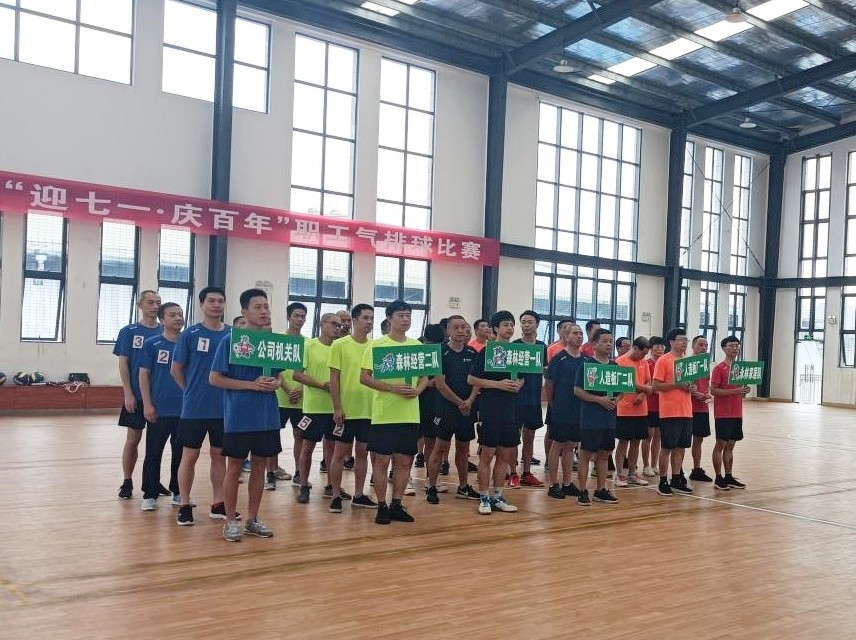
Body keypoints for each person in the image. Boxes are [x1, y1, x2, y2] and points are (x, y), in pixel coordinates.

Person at [210, 288, 281, 542]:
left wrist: (276, 383)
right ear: (244, 311)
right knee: (235, 467)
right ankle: (230, 520)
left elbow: (279, 376)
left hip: (267, 415)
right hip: (239, 415)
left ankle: (253, 518)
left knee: (260, 466)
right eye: (257, 307)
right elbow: (215, 378)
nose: (264, 311)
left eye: (266, 307)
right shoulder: (230, 341)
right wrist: (251, 385)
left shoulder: (274, 342)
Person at [360, 300, 429, 524]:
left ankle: (396, 504)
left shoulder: (416, 345)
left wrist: (418, 390)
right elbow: (364, 377)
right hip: (385, 415)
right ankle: (381, 505)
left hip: (409, 414)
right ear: (389, 318)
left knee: (405, 462)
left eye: (408, 315)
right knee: (381, 462)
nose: (406, 319)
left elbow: (425, 377)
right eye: (401, 315)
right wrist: (391, 388)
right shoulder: (377, 345)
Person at [171, 286, 232, 525]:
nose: (216, 305)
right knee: (190, 455)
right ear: (201, 304)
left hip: (224, 408)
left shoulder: (233, 335)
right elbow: (176, 369)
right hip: (194, 408)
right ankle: (184, 504)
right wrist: (189, 391)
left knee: (219, 456)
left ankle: (218, 503)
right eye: (211, 301)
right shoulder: (190, 334)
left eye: (220, 301)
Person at [468, 310, 523, 515]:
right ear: (496, 329)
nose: (510, 328)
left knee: (505, 455)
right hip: (490, 408)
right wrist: (497, 384)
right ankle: (484, 497)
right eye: (505, 324)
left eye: (512, 324)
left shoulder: (517, 352)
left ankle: (498, 496)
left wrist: (519, 384)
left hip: (511, 408)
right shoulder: (487, 351)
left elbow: (522, 377)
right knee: (487, 454)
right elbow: (472, 379)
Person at [328, 304, 378, 513]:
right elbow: (334, 379)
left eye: (372, 318)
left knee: (362, 454)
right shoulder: (340, 345)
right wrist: (337, 407)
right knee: (339, 453)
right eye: (365, 318)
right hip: (347, 410)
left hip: (369, 410)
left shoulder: (375, 346)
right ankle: (336, 495)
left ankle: (358, 495)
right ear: (354, 320)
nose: (369, 322)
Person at [426, 315, 481, 503]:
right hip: (446, 409)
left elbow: (476, 380)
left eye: (463, 327)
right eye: (456, 327)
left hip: (467, 408)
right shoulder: (440, 352)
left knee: (463, 449)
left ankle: (463, 487)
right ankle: (431, 486)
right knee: (439, 448)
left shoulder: (472, 353)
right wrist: (460, 403)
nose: (460, 331)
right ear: (448, 330)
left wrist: (470, 400)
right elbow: (440, 384)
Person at [115, 289, 162, 500]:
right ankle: (127, 480)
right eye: (150, 302)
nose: (155, 306)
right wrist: (128, 393)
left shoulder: (166, 331)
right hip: (136, 396)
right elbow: (123, 363)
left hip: (160, 397)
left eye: (158, 302)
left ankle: (153, 481)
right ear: (140, 305)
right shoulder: (129, 332)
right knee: (133, 439)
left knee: (157, 444)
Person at [138, 303, 185, 511]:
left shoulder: (188, 342)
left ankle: (178, 491)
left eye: (180, 314)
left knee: (181, 453)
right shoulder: (152, 344)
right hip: (159, 408)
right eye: (172, 315)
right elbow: (144, 374)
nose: (178, 318)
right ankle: (150, 494)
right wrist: (147, 404)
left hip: (184, 409)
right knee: (153, 453)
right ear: (162, 319)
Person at [293, 312, 341, 504]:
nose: (337, 328)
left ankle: (331, 485)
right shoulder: (309, 346)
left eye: (339, 325)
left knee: (332, 448)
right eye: (333, 324)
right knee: (308, 447)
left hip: (335, 408)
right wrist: (322, 385)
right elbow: (297, 375)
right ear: (322, 323)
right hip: (313, 408)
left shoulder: (339, 347)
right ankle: (303, 485)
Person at [574, 328, 619, 505]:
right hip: (591, 418)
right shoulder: (587, 366)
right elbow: (577, 391)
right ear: (594, 344)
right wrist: (599, 400)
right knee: (585, 454)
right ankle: (582, 491)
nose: (609, 344)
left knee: (604, 454)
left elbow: (622, 390)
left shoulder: (614, 367)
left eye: (611, 341)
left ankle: (601, 490)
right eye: (605, 341)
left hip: (609, 418)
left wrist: (616, 400)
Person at [543, 322, 584, 499]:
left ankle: (567, 483)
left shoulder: (585, 360)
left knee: (570, 446)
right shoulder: (558, 359)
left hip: (578, 409)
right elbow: (549, 384)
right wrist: (553, 405)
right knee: (557, 444)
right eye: (575, 333)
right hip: (560, 408)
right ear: (566, 336)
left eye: (581, 333)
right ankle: (553, 484)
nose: (579, 336)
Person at [268, 302, 306, 490]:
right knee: (273, 436)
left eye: (303, 316)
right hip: (280, 398)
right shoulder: (278, 340)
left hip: (301, 400)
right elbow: (274, 370)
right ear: (288, 317)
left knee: (300, 436)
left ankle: (299, 473)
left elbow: (310, 371)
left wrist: (300, 389)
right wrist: (287, 389)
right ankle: (271, 472)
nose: (300, 319)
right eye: (296, 315)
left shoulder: (308, 343)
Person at [653, 328, 695, 496]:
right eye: (681, 339)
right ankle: (663, 480)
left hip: (687, 411)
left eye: (686, 340)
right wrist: (676, 385)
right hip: (670, 411)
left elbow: (689, 384)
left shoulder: (687, 362)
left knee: (681, 448)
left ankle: (676, 479)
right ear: (671, 342)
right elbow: (656, 385)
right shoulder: (664, 360)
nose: (684, 342)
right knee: (667, 447)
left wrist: (691, 388)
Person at [511, 310, 546, 487]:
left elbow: (544, 369)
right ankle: (512, 473)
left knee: (530, 436)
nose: (526, 325)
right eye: (523, 322)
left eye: (529, 322)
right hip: (516, 399)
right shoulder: (515, 345)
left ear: (537, 324)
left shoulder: (542, 346)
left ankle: (526, 472)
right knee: (513, 437)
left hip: (534, 398)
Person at [710, 336, 749, 491]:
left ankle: (728, 475)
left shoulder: (740, 369)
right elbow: (713, 390)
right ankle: (718, 477)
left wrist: (744, 391)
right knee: (721, 444)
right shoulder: (719, 368)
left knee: (731, 445)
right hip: (723, 413)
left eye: (737, 345)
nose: (735, 348)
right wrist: (736, 391)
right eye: (732, 345)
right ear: (724, 348)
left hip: (737, 412)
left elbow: (741, 392)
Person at [614, 336, 653, 488]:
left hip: (641, 409)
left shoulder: (644, 362)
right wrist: (646, 389)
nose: (644, 356)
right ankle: (619, 474)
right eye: (643, 353)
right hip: (624, 409)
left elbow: (648, 380)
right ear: (635, 348)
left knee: (636, 442)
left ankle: (632, 473)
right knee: (623, 442)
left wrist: (642, 395)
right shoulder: (620, 362)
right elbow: (627, 382)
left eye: (646, 354)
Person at [416, 324, 446, 496]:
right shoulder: (420, 353)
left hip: (437, 402)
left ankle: (431, 478)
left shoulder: (443, 353)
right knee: (428, 441)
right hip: (421, 401)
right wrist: (429, 383)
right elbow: (418, 378)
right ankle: (427, 478)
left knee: (432, 441)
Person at [689, 335, 714, 483]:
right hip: (688, 407)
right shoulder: (687, 363)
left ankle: (696, 469)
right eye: (700, 345)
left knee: (699, 439)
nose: (704, 348)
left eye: (706, 345)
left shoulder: (705, 365)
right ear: (693, 346)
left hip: (702, 408)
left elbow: (706, 384)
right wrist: (695, 394)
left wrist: (707, 393)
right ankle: (677, 471)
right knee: (681, 441)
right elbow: (684, 384)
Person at [642, 336, 666, 477]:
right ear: (650, 348)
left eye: (662, 347)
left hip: (663, 406)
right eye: (657, 346)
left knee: (658, 436)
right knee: (648, 436)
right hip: (650, 406)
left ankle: (654, 464)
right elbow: (648, 384)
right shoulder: (647, 364)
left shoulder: (664, 363)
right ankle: (646, 465)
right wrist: (659, 389)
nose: (659, 349)